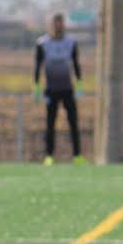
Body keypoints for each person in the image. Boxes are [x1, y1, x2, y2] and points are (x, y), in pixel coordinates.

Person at [33, 12, 84, 165]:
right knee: (50, 124)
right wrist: (36, 86)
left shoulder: (71, 43)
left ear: (64, 25)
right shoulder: (42, 43)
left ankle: (77, 156)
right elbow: (38, 66)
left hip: (67, 89)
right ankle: (49, 156)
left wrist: (79, 84)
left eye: (60, 23)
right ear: (50, 24)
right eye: (55, 23)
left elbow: (76, 64)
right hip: (51, 90)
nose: (58, 26)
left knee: (73, 123)